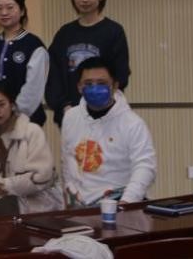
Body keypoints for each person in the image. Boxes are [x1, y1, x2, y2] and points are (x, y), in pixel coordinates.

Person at [61, 57, 155, 208]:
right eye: (88, 84)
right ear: (79, 87)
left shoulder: (133, 123)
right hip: (80, 205)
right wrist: (71, 193)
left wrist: (126, 202)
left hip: (120, 204)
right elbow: (67, 160)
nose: (94, 88)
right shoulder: (70, 117)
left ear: (115, 86)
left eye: (102, 83)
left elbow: (145, 167)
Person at [46, 0, 130, 127]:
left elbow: (121, 74)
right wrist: (63, 106)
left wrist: (103, 102)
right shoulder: (65, 33)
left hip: (105, 114)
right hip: (70, 113)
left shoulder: (113, 31)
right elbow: (54, 74)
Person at [0, 81, 62, 216]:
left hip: (39, 204)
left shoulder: (32, 131)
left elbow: (43, 175)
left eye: (1, 104)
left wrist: (6, 186)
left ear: (12, 104)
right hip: (0, 205)